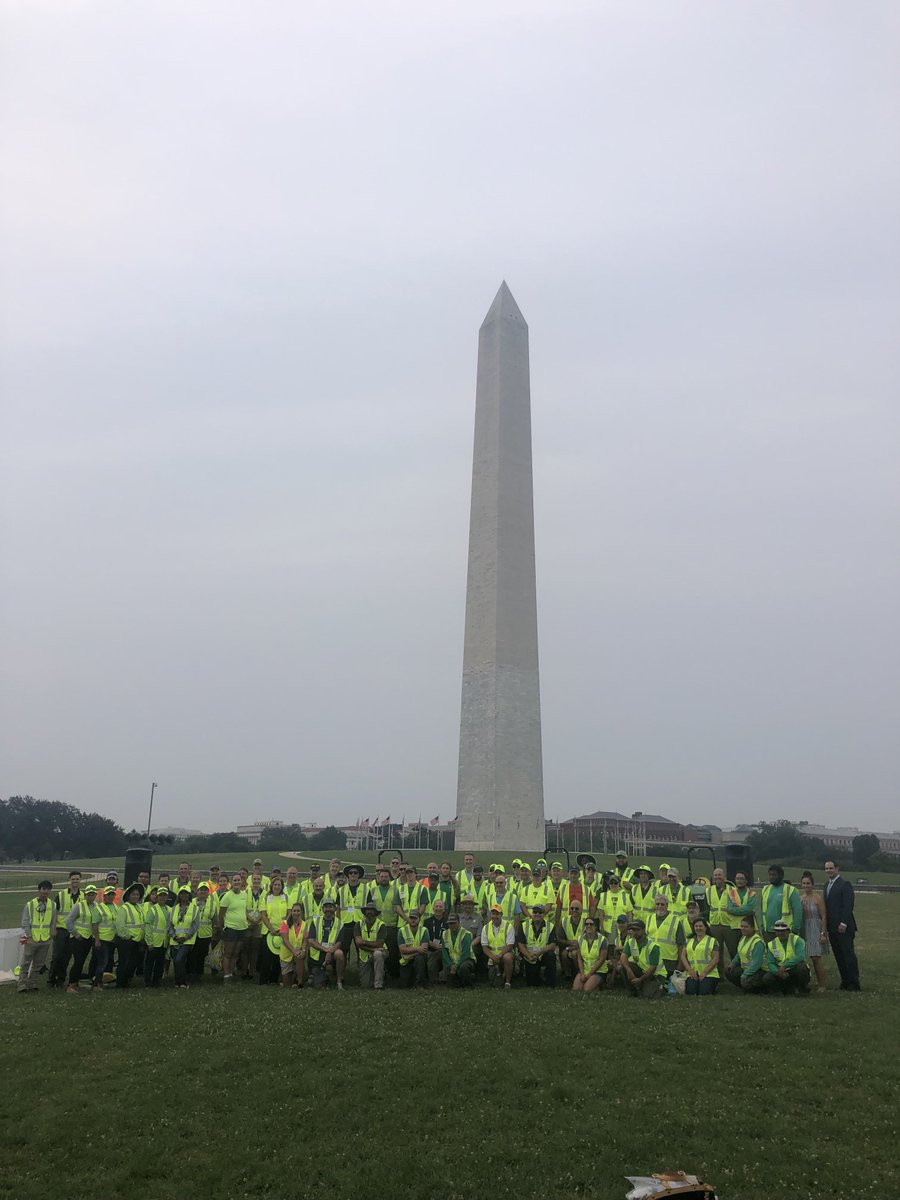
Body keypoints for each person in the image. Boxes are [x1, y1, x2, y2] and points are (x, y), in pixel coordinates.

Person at [824, 860, 860, 991]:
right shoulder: (826, 885)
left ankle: (854, 983)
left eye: (831, 868)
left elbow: (848, 905)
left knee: (848, 955)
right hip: (832, 928)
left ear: (837, 868)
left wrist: (843, 923)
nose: (829, 870)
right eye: (826, 868)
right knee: (839, 956)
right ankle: (845, 981)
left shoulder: (845, 884)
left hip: (843, 927)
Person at [19, 880, 57, 993]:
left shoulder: (52, 905)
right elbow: (25, 922)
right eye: (43, 889)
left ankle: (32, 984)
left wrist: (50, 934)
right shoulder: (30, 905)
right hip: (32, 939)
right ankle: (22, 985)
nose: (46, 891)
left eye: (48, 889)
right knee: (26, 963)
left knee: (38, 964)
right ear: (39, 890)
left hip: (45, 939)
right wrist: (29, 935)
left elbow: (53, 922)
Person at [47, 869, 81, 988]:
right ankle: (51, 979)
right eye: (73, 879)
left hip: (74, 931)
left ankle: (61, 979)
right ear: (69, 880)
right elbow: (54, 913)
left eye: (77, 879)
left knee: (67, 956)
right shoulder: (61, 895)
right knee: (57, 956)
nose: (75, 881)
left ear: (80, 880)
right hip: (61, 929)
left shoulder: (83, 896)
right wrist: (54, 929)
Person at [65, 884, 101, 992]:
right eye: (88, 894)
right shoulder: (79, 906)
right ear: (85, 895)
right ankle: (71, 985)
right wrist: (76, 934)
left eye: (93, 894)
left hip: (88, 938)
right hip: (78, 939)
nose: (91, 896)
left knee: (82, 961)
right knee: (78, 962)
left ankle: (76, 983)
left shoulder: (96, 906)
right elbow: (68, 921)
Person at [367, 863, 400, 979]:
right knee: (378, 951)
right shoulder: (372, 890)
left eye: (386, 877)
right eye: (382, 877)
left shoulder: (396, 890)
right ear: (378, 878)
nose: (384, 879)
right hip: (377, 927)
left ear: (389, 878)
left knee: (392, 952)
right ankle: (378, 975)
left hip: (391, 925)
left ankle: (392, 975)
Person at [617, 919, 664, 998]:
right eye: (633, 930)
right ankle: (632, 991)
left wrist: (640, 979)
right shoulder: (630, 942)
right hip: (642, 970)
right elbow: (623, 957)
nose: (635, 932)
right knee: (623, 967)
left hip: (656, 975)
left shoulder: (653, 946)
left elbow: (653, 968)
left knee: (647, 996)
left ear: (643, 930)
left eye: (637, 930)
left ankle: (660, 986)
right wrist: (629, 970)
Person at [799, 871, 829, 992]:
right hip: (804, 928)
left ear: (812, 884)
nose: (806, 885)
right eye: (804, 883)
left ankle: (822, 984)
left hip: (815, 927)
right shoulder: (800, 898)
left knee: (816, 958)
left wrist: (823, 933)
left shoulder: (818, 898)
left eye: (808, 883)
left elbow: (824, 916)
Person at [218, 873, 250, 985]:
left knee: (236, 953)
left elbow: (245, 911)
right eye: (235, 880)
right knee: (228, 953)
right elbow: (221, 914)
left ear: (242, 882)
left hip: (242, 928)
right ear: (231, 883)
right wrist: (222, 928)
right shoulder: (227, 896)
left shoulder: (245, 895)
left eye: (239, 880)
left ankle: (231, 973)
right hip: (230, 928)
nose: (237, 882)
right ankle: (226, 976)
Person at [307, 898, 345, 990]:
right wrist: (325, 950)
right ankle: (320, 977)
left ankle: (339, 982)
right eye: (326, 907)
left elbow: (339, 942)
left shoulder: (340, 923)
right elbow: (311, 941)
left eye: (331, 907)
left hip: (332, 953)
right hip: (318, 954)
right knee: (318, 985)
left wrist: (329, 952)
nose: (328, 909)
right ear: (322, 909)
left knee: (339, 953)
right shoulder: (315, 922)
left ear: (335, 909)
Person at [764, 920, 810, 994]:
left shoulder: (797, 940)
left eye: (783, 931)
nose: (780, 933)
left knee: (802, 968)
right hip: (780, 972)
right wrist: (778, 972)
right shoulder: (771, 944)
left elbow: (800, 957)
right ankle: (782, 991)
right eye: (778, 931)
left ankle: (802, 989)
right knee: (767, 977)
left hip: (794, 969)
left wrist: (785, 966)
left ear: (788, 931)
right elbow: (770, 963)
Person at [645, 894, 685, 978]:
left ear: (667, 906)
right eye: (657, 904)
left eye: (662, 904)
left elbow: (681, 945)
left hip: (669, 961)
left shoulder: (675, 920)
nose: (659, 906)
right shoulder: (649, 918)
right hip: (652, 959)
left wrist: (680, 966)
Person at [724, 917, 767, 993]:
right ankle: (745, 987)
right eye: (742, 926)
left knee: (747, 980)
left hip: (758, 971)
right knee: (729, 972)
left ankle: (760, 990)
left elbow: (757, 963)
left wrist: (745, 975)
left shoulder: (758, 942)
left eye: (746, 927)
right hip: (746, 969)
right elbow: (739, 954)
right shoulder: (743, 938)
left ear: (753, 928)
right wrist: (732, 964)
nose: (743, 929)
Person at [517, 904, 557, 987]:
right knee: (532, 984)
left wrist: (540, 952)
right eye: (535, 912)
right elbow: (521, 944)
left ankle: (550, 983)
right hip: (530, 956)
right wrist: (528, 955)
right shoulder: (524, 925)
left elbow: (552, 945)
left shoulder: (550, 926)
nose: (537, 914)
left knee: (551, 955)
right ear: (532, 913)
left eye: (540, 912)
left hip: (543, 955)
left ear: (544, 914)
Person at [115, 884, 146, 988]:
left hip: (137, 941)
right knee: (124, 963)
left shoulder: (139, 907)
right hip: (127, 941)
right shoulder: (124, 908)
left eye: (137, 894)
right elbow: (120, 925)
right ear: (128, 896)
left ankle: (127, 980)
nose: (135, 896)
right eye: (133, 894)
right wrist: (127, 937)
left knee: (133, 963)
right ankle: (121, 983)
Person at [168, 888, 200, 988]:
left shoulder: (195, 909)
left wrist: (185, 937)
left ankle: (183, 981)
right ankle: (177, 982)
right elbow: (169, 925)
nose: (184, 895)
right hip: (175, 940)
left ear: (189, 895)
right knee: (176, 961)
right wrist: (174, 936)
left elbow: (195, 926)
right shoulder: (173, 909)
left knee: (179, 959)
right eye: (182, 893)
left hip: (188, 941)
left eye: (186, 893)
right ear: (179, 895)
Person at [680, 916, 720, 996]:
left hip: (709, 973)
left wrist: (705, 972)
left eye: (701, 926)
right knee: (692, 992)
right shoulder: (688, 941)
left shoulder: (712, 941)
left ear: (705, 928)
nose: (698, 928)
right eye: (696, 926)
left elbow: (715, 959)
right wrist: (690, 971)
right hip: (693, 973)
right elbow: (683, 956)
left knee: (703, 992)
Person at [760, 865, 802, 940]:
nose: (771, 877)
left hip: (784, 931)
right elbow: (761, 910)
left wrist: (794, 930)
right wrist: (762, 927)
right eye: (770, 875)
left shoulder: (791, 890)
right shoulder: (765, 889)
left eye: (774, 875)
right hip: (768, 931)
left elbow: (798, 911)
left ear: (781, 876)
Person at [260, 876, 288, 985]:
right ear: (272, 886)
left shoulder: (285, 897)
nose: (277, 886)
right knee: (267, 957)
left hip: (281, 931)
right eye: (275, 884)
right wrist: (271, 929)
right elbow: (263, 915)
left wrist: (283, 928)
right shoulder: (266, 897)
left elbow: (289, 913)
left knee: (278, 957)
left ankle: (274, 979)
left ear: (282, 886)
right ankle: (263, 980)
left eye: (279, 885)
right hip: (268, 931)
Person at [355, 898, 386, 990]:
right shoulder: (358, 924)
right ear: (364, 912)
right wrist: (372, 948)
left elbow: (380, 943)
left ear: (375, 913)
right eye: (367, 910)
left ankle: (378, 985)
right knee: (365, 985)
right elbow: (358, 943)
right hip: (364, 955)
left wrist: (364, 942)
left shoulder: (381, 925)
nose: (369, 912)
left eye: (372, 910)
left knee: (378, 954)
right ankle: (373, 976)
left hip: (381, 952)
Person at [481, 904, 515, 987]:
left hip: (504, 956)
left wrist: (500, 955)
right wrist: (492, 957)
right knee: (495, 983)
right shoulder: (485, 928)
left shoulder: (508, 926)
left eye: (497, 914)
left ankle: (507, 982)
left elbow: (510, 945)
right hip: (492, 959)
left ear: (501, 915)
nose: (495, 916)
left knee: (507, 957)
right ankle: (501, 974)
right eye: (493, 914)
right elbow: (484, 947)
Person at [190, 882, 219, 981]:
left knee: (202, 955)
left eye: (205, 890)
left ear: (208, 892)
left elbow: (215, 920)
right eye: (201, 890)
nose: (203, 892)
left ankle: (199, 974)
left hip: (205, 934)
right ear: (197, 891)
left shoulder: (212, 904)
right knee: (192, 954)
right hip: (192, 933)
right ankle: (190, 973)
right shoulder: (192, 902)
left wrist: (215, 931)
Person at [572, 916, 608, 994]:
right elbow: (579, 958)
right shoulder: (580, 939)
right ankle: (592, 984)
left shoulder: (603, 940)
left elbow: (602, 960)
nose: (588, 926)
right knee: (576, 990)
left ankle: (599, 985)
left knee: (586, 990)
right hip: (585, 969)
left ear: (596, 926)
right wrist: (582, 974)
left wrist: (589, 974)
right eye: (586, 924)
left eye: (591, 924)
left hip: (598, 971)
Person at [143, 886, 169, 987]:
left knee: (160, 963)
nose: (162, 898)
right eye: (160, 896)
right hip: (153, 942)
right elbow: (148, 926)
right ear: (157, 897)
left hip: (164, 942)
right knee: (149, 963)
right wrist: (149, 942)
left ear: (167, 897)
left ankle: (157, 981)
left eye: (164, 896)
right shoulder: (152, 910)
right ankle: (147, 981)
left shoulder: (169, 910)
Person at [397, 909, 430, 988]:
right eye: (411, 918)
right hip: (406, 961)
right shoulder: (402, 930)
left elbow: (424, 950)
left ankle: (420, 984)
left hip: (416, 958)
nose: (413, 920)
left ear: (419, 919)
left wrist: (409, 954)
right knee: (404, 985)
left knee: (420, 959)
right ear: (408, 918)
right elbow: (402, 949)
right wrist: (418, 949)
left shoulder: (424, 930)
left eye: (415, 918)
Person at [442, 911, 475, 986]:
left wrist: (456, 966)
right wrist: (450, 965)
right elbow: (444, 953)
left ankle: (469, 980)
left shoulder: (466, 934)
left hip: (466, 960)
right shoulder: (445, 934)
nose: (452, 925)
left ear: (459, 922)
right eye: (450, 923)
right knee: (448, 980)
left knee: (463, 968)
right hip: (451, 961)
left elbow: (466, 954)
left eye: (454, 923)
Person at [278, 903, 307, 987]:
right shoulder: (285, 923)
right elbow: (285, 939)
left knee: (299, 956)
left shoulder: (305, 924)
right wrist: (294, 951)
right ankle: (287, 978)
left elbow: (305, 939)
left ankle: (299, 982)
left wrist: (303, 950)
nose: (296, 913)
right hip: (286, 953)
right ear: (291, 912)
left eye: (298, 911)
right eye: (294, 911)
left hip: (298, 952)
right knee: (287, 984)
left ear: (301, 912)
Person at [556, 901, 585, 981]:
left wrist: (576, 946)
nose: (574, 910)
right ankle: (567, 975)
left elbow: (588, 940)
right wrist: (570, 944)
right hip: (569, 946)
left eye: (577, 908)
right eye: (572, 908)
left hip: (582, 948)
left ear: (581, 910)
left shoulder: (586, 922)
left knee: (575, 953)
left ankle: (576, 974)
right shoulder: (564, 921)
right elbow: (560, 939)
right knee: (564, 954)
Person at [424, 899, 449, 983]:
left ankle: (444, 978)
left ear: (444, 909)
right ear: (433, 908)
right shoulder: (427, 922)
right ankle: (434, 979)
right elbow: (425, 938)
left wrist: (442, 946)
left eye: (441, 906)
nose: (438, 908)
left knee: (443, 953)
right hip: (430, 948)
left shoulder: (448, 922)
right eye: (436, 906)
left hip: (444, 949)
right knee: (433, 955)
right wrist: (434, 945)